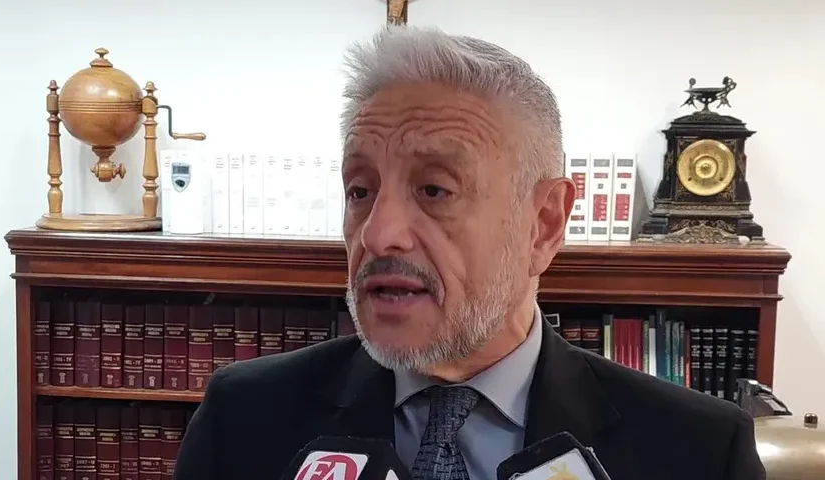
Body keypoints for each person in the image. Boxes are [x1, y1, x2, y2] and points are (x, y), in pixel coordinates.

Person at [173, 26, 766, 480]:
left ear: (544, 224)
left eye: (434, 190)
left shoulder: (699, 450)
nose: (378, 235)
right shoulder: (243, 417)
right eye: (360, 191)